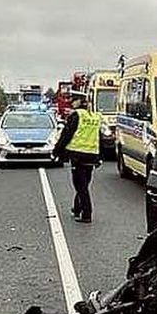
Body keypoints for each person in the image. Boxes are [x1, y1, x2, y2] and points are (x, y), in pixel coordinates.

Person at [53, 91, 102, 223]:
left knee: (80, 186)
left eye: (73, 100)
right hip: (92, 156)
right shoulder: (96, 116)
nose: (71, 103)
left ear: (79, 102)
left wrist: (57, 151)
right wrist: (99, 157)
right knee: (84, 184)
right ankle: (77, 208)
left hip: (78, 156)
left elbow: (66, 135)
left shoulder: (76, 115)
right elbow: (100, 138)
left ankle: (87, 213)